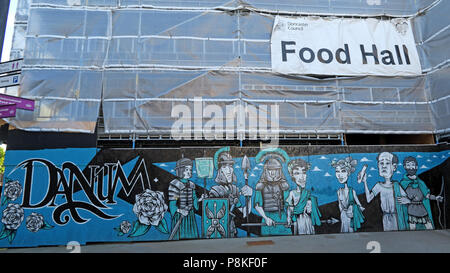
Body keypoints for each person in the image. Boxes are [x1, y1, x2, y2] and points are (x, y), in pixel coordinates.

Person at [208, 149, 252, 237]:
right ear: (219, 170)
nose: (228, 170)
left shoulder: (234, 189)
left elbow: (244, 213)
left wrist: (249, 197)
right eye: (224, 167)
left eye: (230, 166)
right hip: (219, 231)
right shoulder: (215, 191)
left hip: (232, 231)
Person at [359, 152, 408, 231]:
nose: (384, 166)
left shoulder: (396, 185)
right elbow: (368, 199)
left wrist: (407, 200)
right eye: (381, 163)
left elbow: (406, 198)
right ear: (378, 166)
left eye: (387, 163)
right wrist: (365, 182)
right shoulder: (379, 186)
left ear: (394, 167)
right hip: (385, 218)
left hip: (397, 217)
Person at [399, 156, 443, 230]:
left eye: (412, 164)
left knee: (430, 227)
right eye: (408, 165)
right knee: (412, 229)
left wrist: (436, 198)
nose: (411, 167)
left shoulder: (421, 182)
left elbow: (427, 195)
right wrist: (407, 201)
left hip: (422, 209)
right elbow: (401, 197)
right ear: (404, 166)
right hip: (411, 210)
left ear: (416, 166)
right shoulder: (403, 183)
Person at [168, 157, 205, 240]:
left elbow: (193, 198)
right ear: (181, 170)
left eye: (190, 170)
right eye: (186, 170)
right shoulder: (175, 184)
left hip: (190, 215)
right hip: (180, 216)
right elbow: (173, 203)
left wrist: (200, 199)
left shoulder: (192, 185)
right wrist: (180, 211)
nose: (189, 172)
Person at [254, 156, 292, 236]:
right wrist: (266, 218)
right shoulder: (260, 186)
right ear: (266, 171)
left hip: (281, 216)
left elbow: (288, 204)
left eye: (275, 170)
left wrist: (289, 217)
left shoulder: (283, 185)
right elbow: (257, 205)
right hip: (267, 216)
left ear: (279, 170)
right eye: (270, 170)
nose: (272, 172)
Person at [286, 158, 322, 235]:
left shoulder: (308, 193)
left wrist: (311, 206)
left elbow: (312, 209)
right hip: (298, 221)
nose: (301, 177)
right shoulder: (292, 193)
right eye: (297, 173)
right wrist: (289, 218)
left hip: (308, 220)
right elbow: (290, 207)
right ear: (292, 176)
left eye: (304, 172)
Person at [331, 157, 365, 233]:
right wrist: (343, 213)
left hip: (350, 217)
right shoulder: (339, 191)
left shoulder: (352, 191)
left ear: (348, 173)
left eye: (343, 171)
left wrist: (353, 209)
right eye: (337, 171)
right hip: (343, 217)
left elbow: (360, 206)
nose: (340, 175)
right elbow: (340, 205)